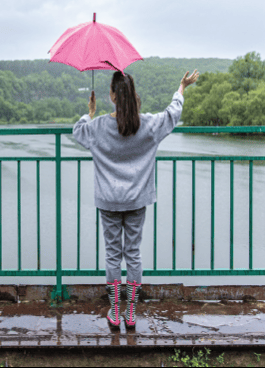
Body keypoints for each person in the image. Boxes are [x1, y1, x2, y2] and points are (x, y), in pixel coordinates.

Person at [73, 69, 199, 329]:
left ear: (112, 96)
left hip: (108, 201)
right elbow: (172, 114)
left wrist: (90, 112)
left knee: (112, 255)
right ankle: (130, 313)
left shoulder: (97, 128)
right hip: (137, 201)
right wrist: (181, 88)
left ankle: (114, 311)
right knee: (133, 254)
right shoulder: (148, 125)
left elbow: (78, 131)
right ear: (132, 95)